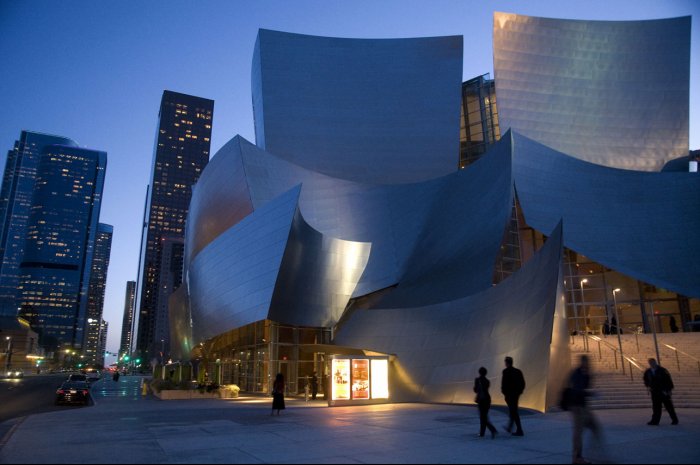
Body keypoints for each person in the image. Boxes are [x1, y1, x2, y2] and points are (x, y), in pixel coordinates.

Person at [567, 355, 602, 465]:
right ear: (582, 362)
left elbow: (584, 386)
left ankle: (582, 455)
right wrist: (590, 393)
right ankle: (577, 457)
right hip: (578, 406)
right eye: (586, 362)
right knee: (578, 432)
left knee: (593, 427)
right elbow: (578, 389)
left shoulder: (584, 373)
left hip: (583, 406)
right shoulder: (578, 373)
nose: (587, 364)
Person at [643, 358, 678, 426]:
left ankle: (674, 420)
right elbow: (645, 379)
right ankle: (655, 421)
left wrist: (669, 390)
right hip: (654, 392)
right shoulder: (648, 371)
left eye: (653, 362)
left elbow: (668, 380)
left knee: (669, 407)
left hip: (663, 391)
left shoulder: (662, 370)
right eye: (650, 363)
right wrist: (648, 385)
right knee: (656, 407)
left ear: (655, 362)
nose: (652, 364)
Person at [501, 356, 526, 436]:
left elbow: (504, 383)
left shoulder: (505, 371)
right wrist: (519, 392)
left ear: (507, 363)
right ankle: (511, 427)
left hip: (509, 395)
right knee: (513, 410)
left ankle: (519, 429)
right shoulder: (518, 371)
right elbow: (523, 383)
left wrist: (504, 393)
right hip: (515, 394)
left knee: (513, 412)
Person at [474, 367, 497, 439]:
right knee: (484, 416)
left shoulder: (477, 380)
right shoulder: (487, 381)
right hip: (487, 400)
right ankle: (482, 433)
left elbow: (475, 390)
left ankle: (492, 430)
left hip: (481, 400)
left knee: (483, 417)